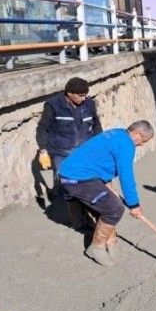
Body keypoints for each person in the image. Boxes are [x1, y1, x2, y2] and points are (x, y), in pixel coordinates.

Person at [58, 121, 154, 266]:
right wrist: (134, 204)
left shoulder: (118, 134)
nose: (142, 145)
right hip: (76, 178)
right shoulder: (126, 144)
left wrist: (108, 184)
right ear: (135, 134)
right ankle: (96, 247)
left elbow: (102, 159)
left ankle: (111, 241)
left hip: (80, 174)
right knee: (115, 208)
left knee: (109, 202)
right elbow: (126, 175)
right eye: (143, 140)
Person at [36, 77, 102, 229]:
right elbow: (42, 129)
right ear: (69, 93)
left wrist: (100, 146)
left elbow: (96, 125)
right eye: (81, 95)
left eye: (86, 95)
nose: (84, 98)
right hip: (62, 153)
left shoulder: (89, 104)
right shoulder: (53, 105)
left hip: (85, 152)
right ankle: (78, 220)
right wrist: (43, 150)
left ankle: (91, 216)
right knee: (70, 186)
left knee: (88, 184)